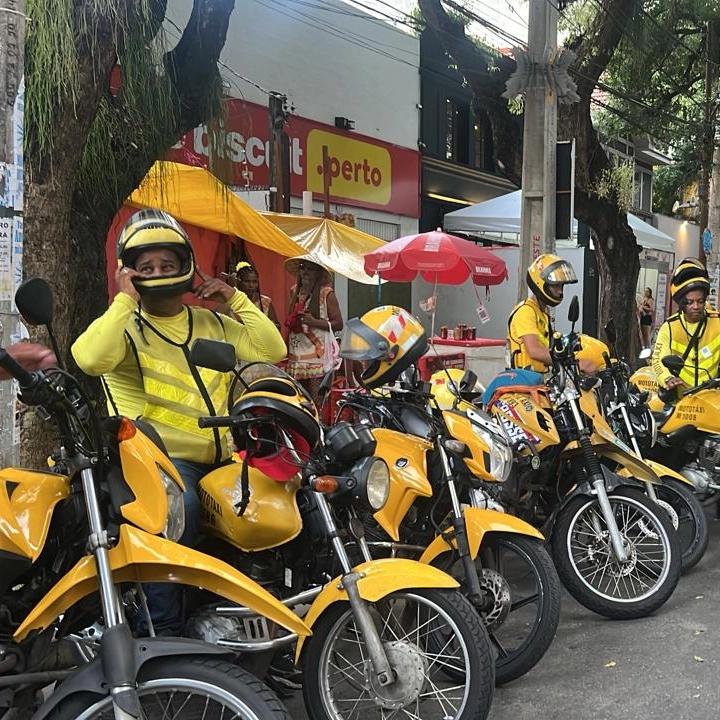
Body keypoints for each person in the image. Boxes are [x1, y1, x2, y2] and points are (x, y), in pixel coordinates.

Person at [71, 208, 286, 636]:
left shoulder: (210, 322)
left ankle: (252, 624)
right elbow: (89, 358)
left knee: (273, 507)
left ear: (186, 266)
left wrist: (233, 297)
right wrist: (123, 299)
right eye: (145, 266)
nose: (157, 272)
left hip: (224, 458)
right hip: (159, 465)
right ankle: (166, 633)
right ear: (128, 272)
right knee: (180, 512)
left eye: (167, 264)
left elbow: (271, 348)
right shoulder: (125, 326)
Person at [652, 257, 720, 396]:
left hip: (712, 401)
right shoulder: (670, 327)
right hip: (681, 404)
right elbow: (658, 360)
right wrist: (668, 378)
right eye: (690, 302)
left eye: (700, 301)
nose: (696, 306)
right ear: (681, 303)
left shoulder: (717, 322)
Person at [284, 254, 343, 407]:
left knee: (317, 403)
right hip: (296, 357)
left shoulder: (326, 294)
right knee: (298, 403)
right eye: (303, 268)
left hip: (318, 359)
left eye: (310, 269)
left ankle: (319, 430)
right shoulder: (293, 292)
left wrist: (314, 322)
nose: (305, 272)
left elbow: (339, 324)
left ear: (317, 273)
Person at [507, 253, 579, 375]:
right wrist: (571, 361)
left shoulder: (542, 313)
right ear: (540, 283)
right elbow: (534, 350)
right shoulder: (526, 311)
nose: (560, 291)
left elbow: (550, 346)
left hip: (538, 381)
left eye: (561, 286)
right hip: (523, 383)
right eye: (555, 286)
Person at [221, 260, 279, 329]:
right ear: (239, 282)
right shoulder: (231, 300)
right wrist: (234, 289)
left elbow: (277, 326)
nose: (251, 285)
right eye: (247, 281)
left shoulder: (265, 303)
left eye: (254, 282)